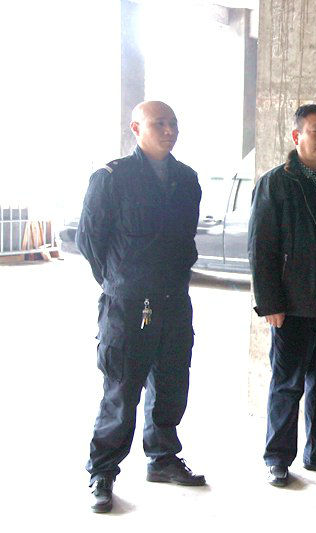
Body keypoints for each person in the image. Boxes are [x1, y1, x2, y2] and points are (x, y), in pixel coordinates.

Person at [77, 101, 206, 514]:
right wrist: (120, 280)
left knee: (171, 384)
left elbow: (185, 239)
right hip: (128, 306)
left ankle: (162, 458)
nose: (169, 130)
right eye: (158, 124)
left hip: (174, 300)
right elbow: (89, 241)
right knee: (121, 391)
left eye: (173, 123)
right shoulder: (111, 178)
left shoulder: (186, 179)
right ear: (136, 128)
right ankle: (102, 472)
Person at [248, 104, 316, 487]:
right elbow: (261, 247)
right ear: (297, 136)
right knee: (288, 383)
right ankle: (278, 458)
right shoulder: (277, 182)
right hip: (294, 301)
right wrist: (270, 302)